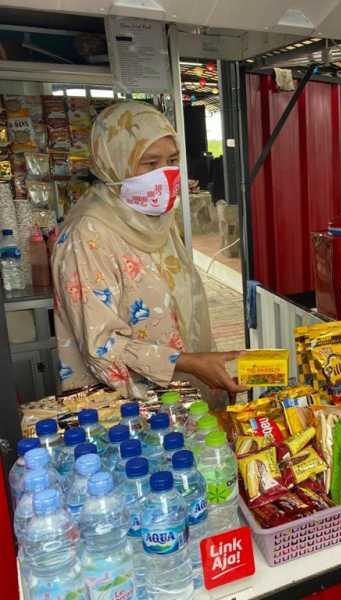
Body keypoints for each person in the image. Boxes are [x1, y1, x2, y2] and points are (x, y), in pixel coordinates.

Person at [52, 102, 246, 407]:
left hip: (178, 403)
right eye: (149, 163)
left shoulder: (152, 218)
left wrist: (200, 363)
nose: (164, 174)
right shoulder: (88, 234)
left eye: (172, 160)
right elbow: (100, 347)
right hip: (127, 416)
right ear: (112, 163)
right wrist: (188, 362)